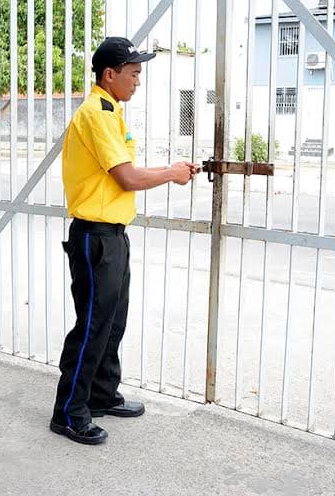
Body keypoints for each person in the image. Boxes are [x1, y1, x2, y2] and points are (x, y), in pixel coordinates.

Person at [50, 37, 200, 445]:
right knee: (93, 326)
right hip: (94, 237)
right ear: (109, 74)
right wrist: (171, 173)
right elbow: (128, 177)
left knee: (113, 322)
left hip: (113, 235)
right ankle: (68, 412)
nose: (138, 81)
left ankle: (101, 395)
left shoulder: (111, 111)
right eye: (133, 73)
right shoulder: (95, 114)